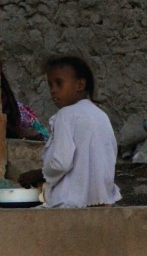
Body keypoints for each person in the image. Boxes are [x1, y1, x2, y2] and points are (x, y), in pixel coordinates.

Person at [17, 55, 121, 208]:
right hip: (102, 201)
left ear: (80, 85)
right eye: (50, 85)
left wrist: (39, 174)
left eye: (59, 83)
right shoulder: (101, 115)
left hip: (69, 203)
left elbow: (61, 163)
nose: (53, 91)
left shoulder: (65, 115)